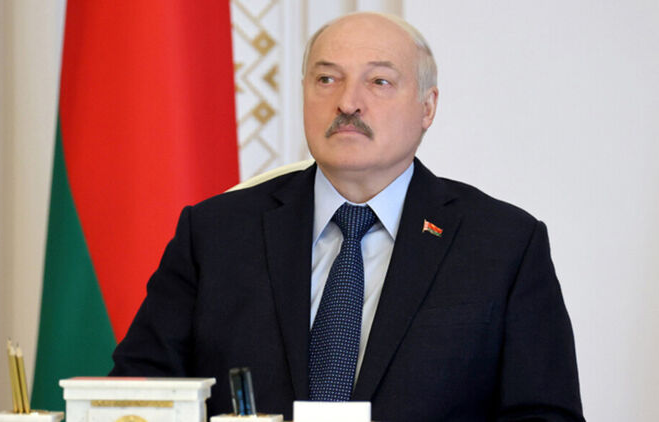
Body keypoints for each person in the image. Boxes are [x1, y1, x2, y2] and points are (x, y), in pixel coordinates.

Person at [110, 12, 584, 421]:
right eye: (326, 79)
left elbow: (544, 414)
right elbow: (138, 396)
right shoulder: (216, 233)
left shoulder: (502, 245)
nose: (347, 102)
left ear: (427, 107)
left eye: (379, 82)